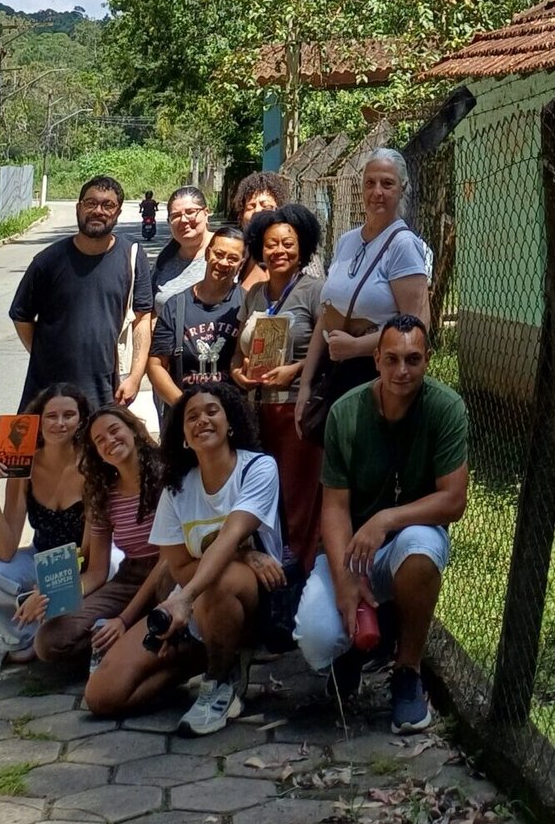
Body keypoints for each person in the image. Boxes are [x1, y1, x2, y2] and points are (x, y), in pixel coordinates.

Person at [294, 314, 468, 734]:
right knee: (316, 639)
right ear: (376, 360)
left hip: (406, 541)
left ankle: (407, 673)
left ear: (428, 359)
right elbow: (334, 507)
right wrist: (343, 578)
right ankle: (353, 648)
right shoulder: (345, 412)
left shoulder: (446, 408)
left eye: (412, 359)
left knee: (421, 547)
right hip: (351, 549)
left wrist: (386, 518)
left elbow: (453, 500)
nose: (402, 371)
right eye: (391, 359)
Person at [85, 381, 285, 736]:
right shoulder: (178, 488)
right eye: (191, 417)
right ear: (183, 436)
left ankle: (219, 683)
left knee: (219, 582)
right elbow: (177, 566)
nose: (202, 421)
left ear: (231, 423)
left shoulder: (258, 468)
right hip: (189, 605)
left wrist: (191, 592)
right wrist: (241, 557)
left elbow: (234, 532)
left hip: (248, 600)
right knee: (103, 695)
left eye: (212, 411)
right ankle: (204, 657)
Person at [296, 150, 432, 443]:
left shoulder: (403, 246)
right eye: (370, 183)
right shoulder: (347, 241)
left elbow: (418, 325)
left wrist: (358, 347)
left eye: (387, 183)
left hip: (373, 374)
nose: (377, 192)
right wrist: (306, 385)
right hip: (334, 372)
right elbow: (326, 316)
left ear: (403, 188)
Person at [33, 406, 168, 669]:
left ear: (133, 430)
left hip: (169, 572)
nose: (109, 441)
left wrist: (124, 619)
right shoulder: (103, 494)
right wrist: (52, 600)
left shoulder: (166, 477)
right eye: (99, 440)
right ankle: (122, 641)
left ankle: (133, 636)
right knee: (49, 640)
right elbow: (96, 572)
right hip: (129, 577)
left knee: (161, 605)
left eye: (114, 430)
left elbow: (168, 559)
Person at [0, 385, 92, 662]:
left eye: (69, 415)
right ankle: (22, 638)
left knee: (115, 566)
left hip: (88, 559)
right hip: (42, 555)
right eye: (51, 416)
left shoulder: (91, 463)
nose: (60, 424)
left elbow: (94, 548)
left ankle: (63, 623)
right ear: (38, 420)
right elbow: (6, 550)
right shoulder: (24, 468)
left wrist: (49, 587)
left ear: (81, 419)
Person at [9, 176, 152, 414]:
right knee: (37, 452)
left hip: (107, 393)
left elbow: (142, 319)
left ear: (117, 214)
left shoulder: (132, 257)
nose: (98, 211)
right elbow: (21, 316)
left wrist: (135, 377)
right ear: (79, 208)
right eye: (91, 203)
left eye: (107, 205)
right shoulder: (48, 261)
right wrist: (47, 355)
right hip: (49, 396)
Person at [231, 204, 325, 561]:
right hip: (257, 412)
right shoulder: (254, 295)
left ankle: (298, 571)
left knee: (297, 495)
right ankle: (269, 563)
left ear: (302, 247)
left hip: (296, 410)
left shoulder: (316, 291)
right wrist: (239, 373)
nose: (279, 251)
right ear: (259, 248)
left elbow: (328, 350)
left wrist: (295, 370)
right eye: (271, 244)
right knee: (263, 495)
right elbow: (238, 353)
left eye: (288, 243)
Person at [146, 223, 246, 409]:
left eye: (233, 258)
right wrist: (185, 407)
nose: (224, 263)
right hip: (185, 415)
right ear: (208, 254)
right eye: (219, 254)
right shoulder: (176, 305)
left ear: (241, 264)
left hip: (233, 414)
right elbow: (156, 365)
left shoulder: (246, 304)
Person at [152, 186, 212, 306]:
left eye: (190, 212)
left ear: (206, 213)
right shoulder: (164, 259)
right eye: (175, 216)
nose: (183, 220)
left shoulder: (230, 249)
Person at [233, 170, 290, 291]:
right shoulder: (241, 254)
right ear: (241, 215)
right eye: (251, 206)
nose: (257, 211)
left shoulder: (296, 252)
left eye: (266, 206)